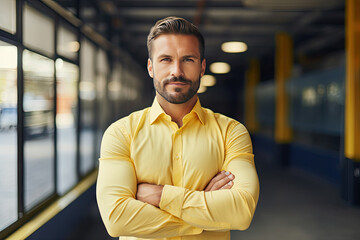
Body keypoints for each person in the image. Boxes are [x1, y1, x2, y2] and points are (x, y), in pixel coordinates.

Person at [96, 16, 259, 240]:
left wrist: (160, 196)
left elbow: (241, 211)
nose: (177, 71)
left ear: (202, 67)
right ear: (151, 67)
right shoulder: (121, 133)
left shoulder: (231, 132)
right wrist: (205, 213)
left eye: (188, 59)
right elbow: (116, 218)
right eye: (165, 59)